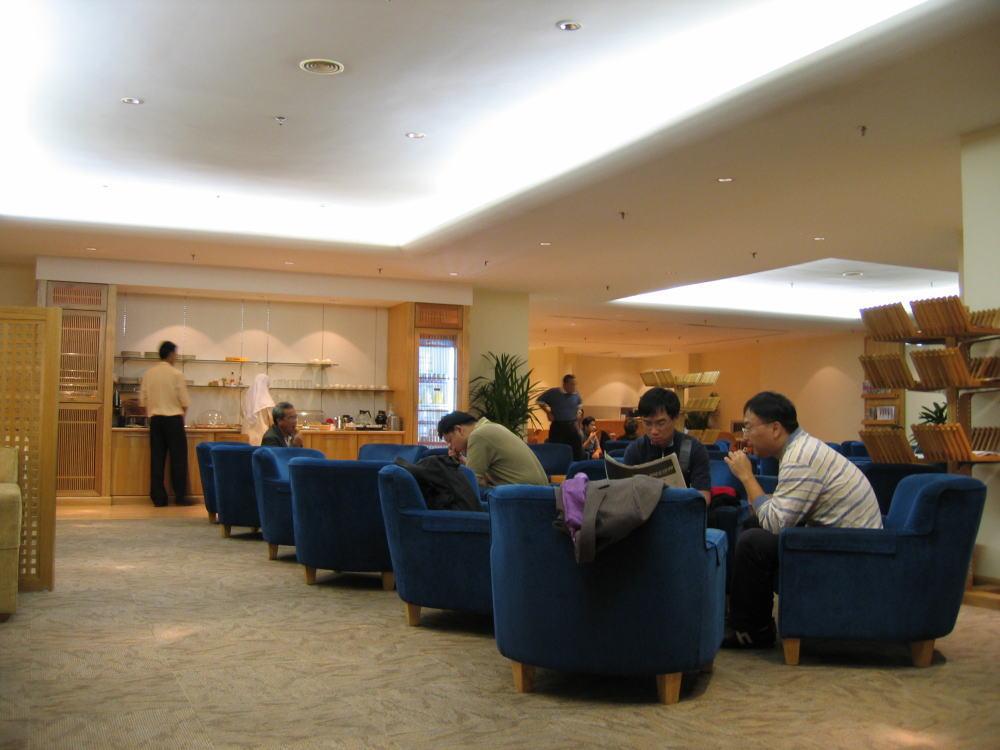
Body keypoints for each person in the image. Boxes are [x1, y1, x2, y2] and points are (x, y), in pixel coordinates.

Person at [722, 391, 882, 649]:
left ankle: (750, 629)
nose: (745, 436)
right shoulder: (801, 449)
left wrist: (746, 477)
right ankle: (750, 622)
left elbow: (776, 523)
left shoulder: (800, 458)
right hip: (844, 541)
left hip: (851, 551)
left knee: (753, 542)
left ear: (775, 429)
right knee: (752, 526)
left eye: (749, 427)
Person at [623, 387, 711, 503]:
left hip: (682, 510)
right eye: (647, 423)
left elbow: (704, 498)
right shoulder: (635, 450)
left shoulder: (694, 449)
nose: (654, 431)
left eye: (661, 423)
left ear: (675, 418)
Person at [139, 340, 191, 507]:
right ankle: (180, 497)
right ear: (170, 354)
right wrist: (181, 416)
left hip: (155, 420)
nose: (176, 356)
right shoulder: (176, 374)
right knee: (178, 460)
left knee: (157, 459)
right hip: (174, 419)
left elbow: (142, 400)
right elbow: (184, 401)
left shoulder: (149, 374)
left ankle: (158, 498)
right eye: (175, 353)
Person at [437, 411, 548, 488]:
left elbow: (473, 483)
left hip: (523, 495)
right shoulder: (487, 427)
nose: (450, 446)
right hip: (537, 491)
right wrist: (462, 460)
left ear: (459, 430)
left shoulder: (478, 436)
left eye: (450, 440)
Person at [537, 374, 584, 461]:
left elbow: (580, 404)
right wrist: (548, 412)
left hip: (572, 425)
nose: (574, 386)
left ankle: (576, 466)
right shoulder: (553, 392)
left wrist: (579, 411)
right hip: (558, 426)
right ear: (565, 384)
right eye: (572, 384)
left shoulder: (576, 394)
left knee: (577, 451)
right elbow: (539, 401)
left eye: (575, 384)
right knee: (557, 451)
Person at [242, 373, 275, 446]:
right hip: (262, 436)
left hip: (246, 435)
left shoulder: (248, 397)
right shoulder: (266, 401)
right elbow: (272, 421)